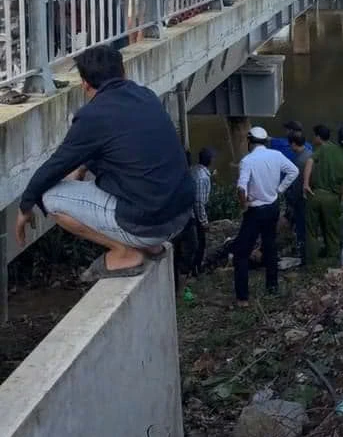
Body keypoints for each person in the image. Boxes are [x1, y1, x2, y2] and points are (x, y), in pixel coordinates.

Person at [15, 45, 194, 280]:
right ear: (123, 73)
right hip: (180, 216)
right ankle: (150, 247)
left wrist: (25, 205)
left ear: (85, 84)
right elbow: (119, 146)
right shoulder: (146, 96)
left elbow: (55, 166)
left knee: (50, 198)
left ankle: (124, 252)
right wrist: (83, 166)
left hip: (149, 225)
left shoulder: (93, 115)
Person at [233, 126, 298, 305]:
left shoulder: (248, 161)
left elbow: (241, 187)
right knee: (269, 246)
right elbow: (294, 171)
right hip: (273, 207)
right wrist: (280, 189)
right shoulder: (276, 156)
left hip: (255, 211)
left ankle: (242, 298)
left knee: (241, 253)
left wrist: (243, 204)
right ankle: (272, 287)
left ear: (249, 141)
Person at [304, 124, 343, 266]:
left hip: (314, 194)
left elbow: (310, 160)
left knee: (311, 231)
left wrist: (306, 183)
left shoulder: (325, 148)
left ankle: (311, 262)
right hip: (332, 199)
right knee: (332, 231)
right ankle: (331, 260)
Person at [284, 131, 313, 264]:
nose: (290, 147)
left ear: (294, 144)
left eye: (290, 144)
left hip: (301, 200)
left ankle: (304, 256)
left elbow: (296, 187)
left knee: (302, 228)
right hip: (312, 196)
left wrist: (290, 200)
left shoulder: (298, 161)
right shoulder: (310, 154)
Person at [190, 147, 213, 274]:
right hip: (195, 216)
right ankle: (196, 269)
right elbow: (199, 203)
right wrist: (204, 221)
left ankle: (193, 268)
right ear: (210, 160)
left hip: (187, 213)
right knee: (200, 243)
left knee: (195, 243)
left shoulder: (194, 169)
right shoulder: (202, 177)